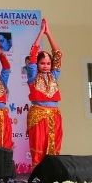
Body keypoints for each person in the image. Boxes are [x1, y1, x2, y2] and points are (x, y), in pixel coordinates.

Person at [26, 18, 62, 167]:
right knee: (39, 145)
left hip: (54, 115)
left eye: (48, 63)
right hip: (38, 114)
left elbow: (58, 54)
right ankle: (37, 175)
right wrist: (41, 32)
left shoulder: (54, 75)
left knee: (54, 145)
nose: (46, 66)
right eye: (42, 63)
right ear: (37, 64)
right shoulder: (33, 75)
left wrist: (49, 33)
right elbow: (33, 53)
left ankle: (53, 174)